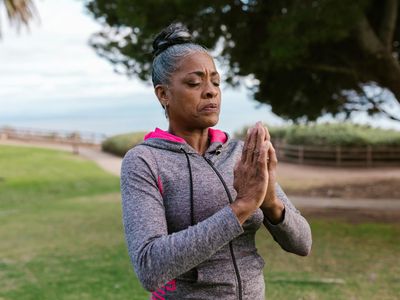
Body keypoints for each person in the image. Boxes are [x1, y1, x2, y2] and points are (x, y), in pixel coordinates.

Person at [120, 23, 312, 300]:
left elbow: (303, 244)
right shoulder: (144, 161)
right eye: (194, 83)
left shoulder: (241, 155)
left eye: (216, 82)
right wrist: (242, 207)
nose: (210, 91)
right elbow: (150, 267)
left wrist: (270, 201)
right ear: (163, 94)